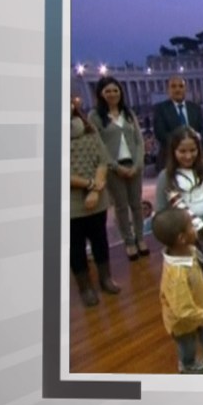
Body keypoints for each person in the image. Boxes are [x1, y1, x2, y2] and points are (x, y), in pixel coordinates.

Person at [155, 127, 203, 342]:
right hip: (183, 240)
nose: (188, 156)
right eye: (182, 151)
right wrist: (180, 231)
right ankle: (196, 319)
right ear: (173, 151)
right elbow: (161, 211)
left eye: (193, 150)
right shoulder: (165, 177)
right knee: (189, 283)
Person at [152, 207, 203, 374]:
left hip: (201, 311)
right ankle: (188, 365)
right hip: (183, 323)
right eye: (191, 225)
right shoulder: (177, 275)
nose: (195, 226)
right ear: (182, 238)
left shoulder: (188, 251)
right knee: (188, 348)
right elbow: (184, 312)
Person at [89, 76, 149, 261]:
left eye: (115, 90)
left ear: (120, 92)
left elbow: (139, 140)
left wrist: (137, 163)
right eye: (107, 91)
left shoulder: (128, 113)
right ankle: (129, 242)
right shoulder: (95, 116)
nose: (112, 94)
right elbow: (98, 145)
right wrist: (114, 166)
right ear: (100, 94)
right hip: (113, 169)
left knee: (137, 205)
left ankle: (141, 238)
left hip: (134, 165)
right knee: (121, 207)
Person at [69, 97, 120, 306]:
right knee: (75, 246)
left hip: (96, 198)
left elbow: (103, 160)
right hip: (70, 203)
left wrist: (96, 189)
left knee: (100, 240)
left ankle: (105, 278)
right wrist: (91, 185)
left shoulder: (89, 129)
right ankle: (85, 287)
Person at [153, 76, 203, 168]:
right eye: (173, 86)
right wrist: (183, 144)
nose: (177, 89)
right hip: (170, 159)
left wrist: (196, 141)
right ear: (168, 90)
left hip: (196, 159)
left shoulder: (195, 108)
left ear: (185, 89)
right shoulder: (160, 109)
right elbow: (160, 134)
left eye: (181, 86)